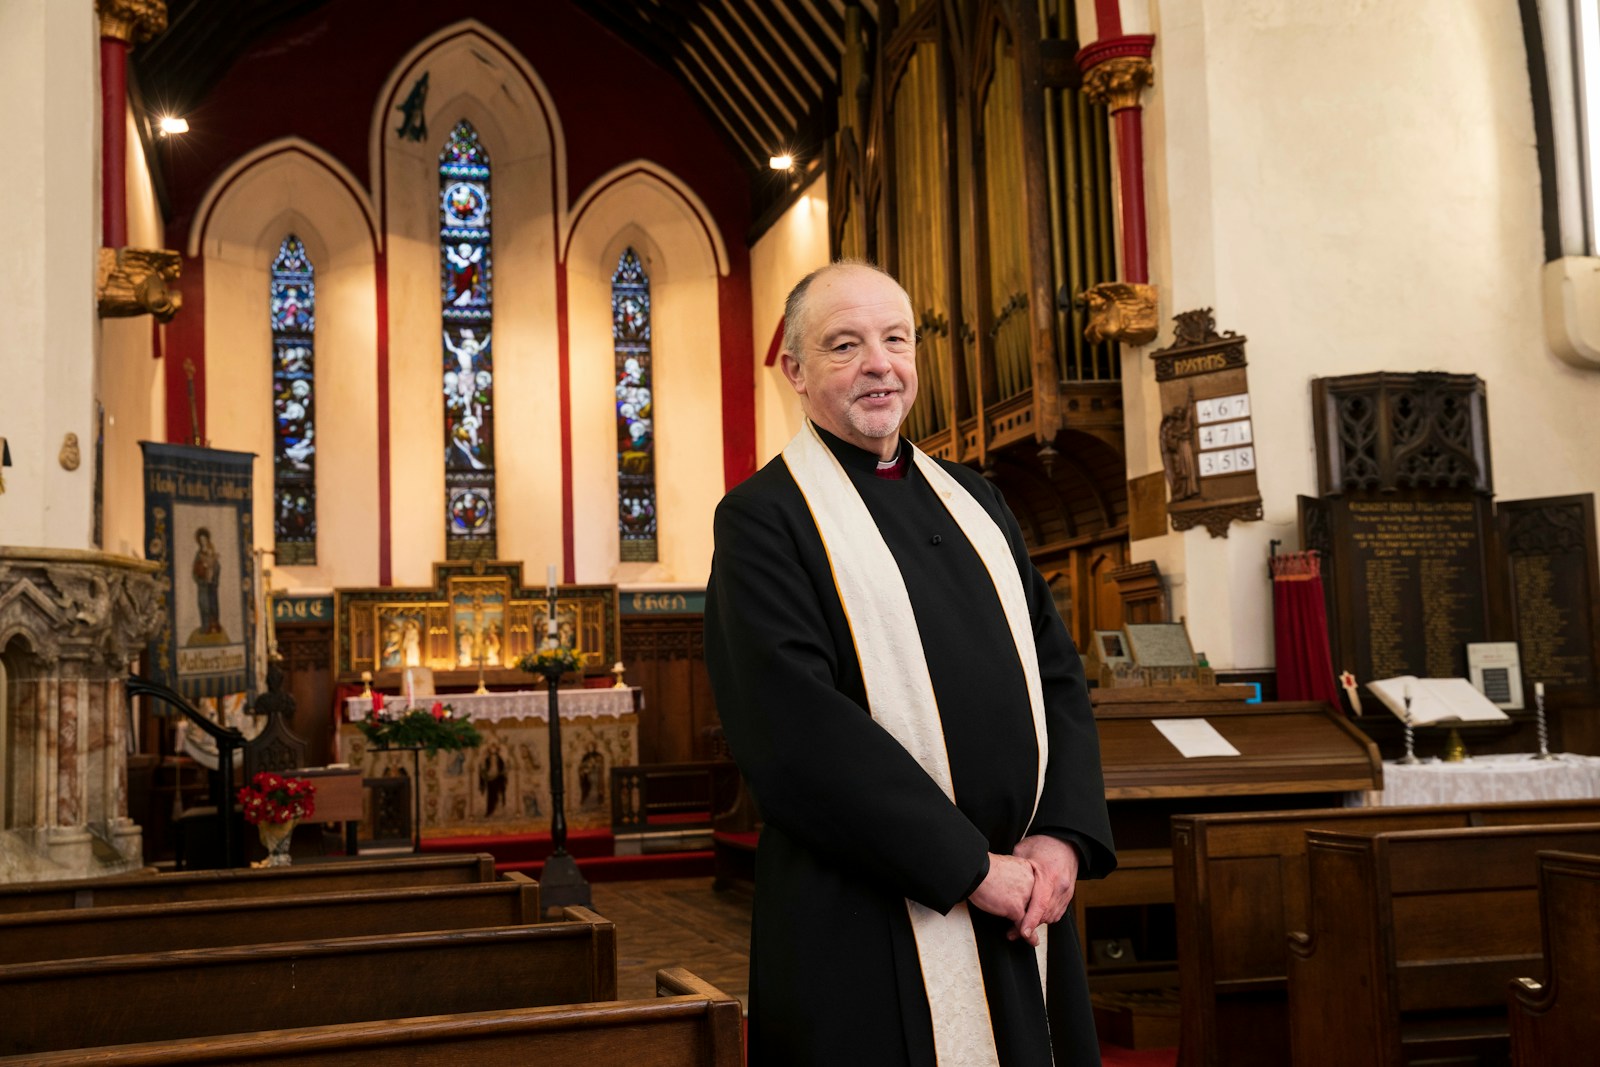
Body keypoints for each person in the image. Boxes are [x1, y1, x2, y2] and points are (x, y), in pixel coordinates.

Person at [704, 261, 1115, 1066]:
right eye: (844, 344)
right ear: (793, 368)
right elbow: (796, 734)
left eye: (895, 339)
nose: (879, 364)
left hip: (1023, 905)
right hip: (870, 917)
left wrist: (1062, 837)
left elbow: (1058, 676)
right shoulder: (765, 520)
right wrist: (969, 869)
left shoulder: (978, 501)